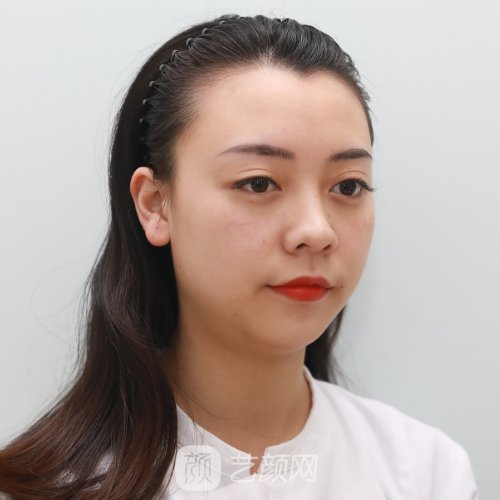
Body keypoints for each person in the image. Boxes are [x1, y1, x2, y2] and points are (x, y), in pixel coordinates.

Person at [0, 13, 478, 499]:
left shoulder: (425, 474)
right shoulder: (56, 487)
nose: (316, 231)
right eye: (258, 183)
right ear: (156, 204)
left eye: (348, 186)